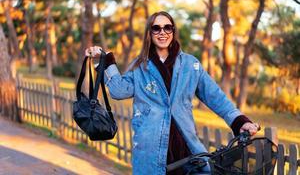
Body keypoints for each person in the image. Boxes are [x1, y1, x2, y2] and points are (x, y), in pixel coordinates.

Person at [85, 11, 259, 175]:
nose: (162, 32)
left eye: (167, 27)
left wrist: (238, 121)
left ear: (173, 31)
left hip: (185, 147)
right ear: (150, 33)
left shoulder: (191, 65)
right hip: (150, 148)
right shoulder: (140, 66)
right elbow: (119, 91)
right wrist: (104, 61)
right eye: (156, 28)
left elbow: (215, 96)